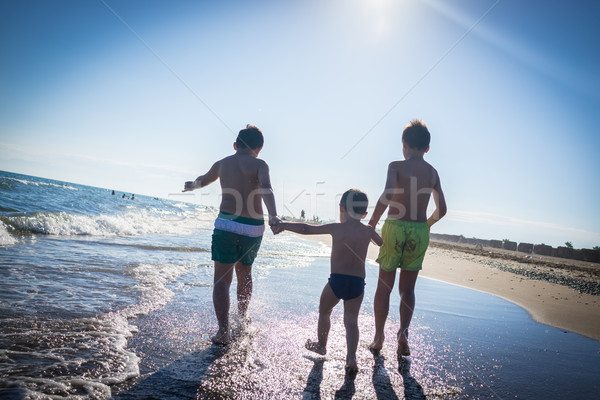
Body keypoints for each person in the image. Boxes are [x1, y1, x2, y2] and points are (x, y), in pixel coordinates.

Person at [183, 124, 280, 345]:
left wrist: (192, 186)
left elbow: (203, 179)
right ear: (259, 148)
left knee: (221, 281)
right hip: (253, 227)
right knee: (245, 274)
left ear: (235, 145)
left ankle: (223, 332)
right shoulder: (260, 164)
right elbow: (267, 188)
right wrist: (273, 215)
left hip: (226, 224)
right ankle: (243, 319)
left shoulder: (222, 163)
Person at [272, 189, 383, 372]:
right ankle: (351, 358)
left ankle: (322, 345)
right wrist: (371, 235)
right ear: (364, 214)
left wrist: (284, 225)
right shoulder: (368, 230)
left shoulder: (336, 228)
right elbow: (380, 242)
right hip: (357, 284)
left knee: (324, 310)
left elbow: (307, 229)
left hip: (336, 281)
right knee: (351, 321)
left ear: (341, 208)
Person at [368, 119, 447, 357]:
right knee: (408, 289)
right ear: (427, 148)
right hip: (419, 230)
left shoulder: (396, 167)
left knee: (384, 286)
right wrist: (427, 224)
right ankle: (403, 332)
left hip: (394, 227)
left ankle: (379, 337)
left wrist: (371, 223)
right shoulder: (433, 173)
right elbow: (442, 209)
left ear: (404, 144)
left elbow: (388, 194)